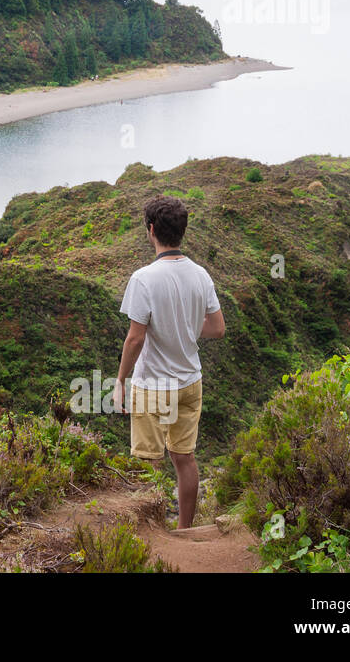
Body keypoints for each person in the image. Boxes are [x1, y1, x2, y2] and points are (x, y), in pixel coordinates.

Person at [115, 195, 225, 529]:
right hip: (190, 382)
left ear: (151, 230)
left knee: (148, 461)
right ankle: (185, 530)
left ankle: (152, 532)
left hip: (153, 385)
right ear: (182, 230)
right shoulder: (201, 275)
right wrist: (186, 328)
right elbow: (217, 328)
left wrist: (120, 381)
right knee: (184, 457)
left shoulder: (144, 278)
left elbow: (135, 338)